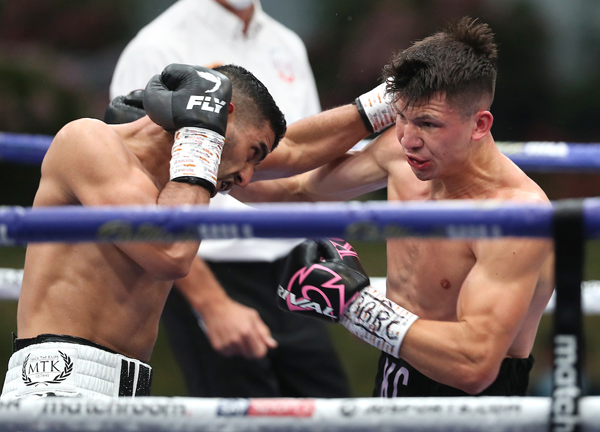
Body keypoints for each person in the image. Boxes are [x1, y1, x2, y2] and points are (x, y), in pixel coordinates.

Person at [1, 62, 373, 400]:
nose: (246, 176)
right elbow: (171, 253)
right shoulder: (87, 141)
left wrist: (383, 105)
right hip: (56, 381)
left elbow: (298, 153)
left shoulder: (170, 184)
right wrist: (202, 139)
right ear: (223, 114)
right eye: (253, 152)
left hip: (124, 385)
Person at [237, 17, 555, 397]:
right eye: (401, 117)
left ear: (480, 124)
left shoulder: (515, 216)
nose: (409, 139)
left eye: (428, 124)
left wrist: (356, 306)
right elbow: (294, 190)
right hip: (393, 378)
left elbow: (474, 365)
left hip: (473, 405)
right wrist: (211, 160)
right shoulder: (399, 154)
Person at [110, 0, 351, 398]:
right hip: (204, 267)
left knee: (330, 413)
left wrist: (332, 246)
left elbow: (306, 163)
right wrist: (211, 304)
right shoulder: (156, 47)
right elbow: (135, 195)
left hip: (292, 267)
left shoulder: (286, 44)